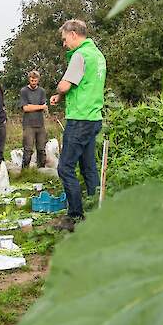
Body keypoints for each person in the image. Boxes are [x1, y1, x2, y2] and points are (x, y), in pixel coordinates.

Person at [49, 19, 106, 232]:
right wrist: (61, 97)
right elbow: (86, 86)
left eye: (65, 39)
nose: (64, 44)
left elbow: (66, 84)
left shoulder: (80, 55)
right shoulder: (98, 55)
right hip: (93, 117)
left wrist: (59, 89)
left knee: (65, 168)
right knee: (89, 167)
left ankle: (75, 216)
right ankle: (95, 212)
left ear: (73, 34)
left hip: (79, 119)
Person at [19, 70, 48, 168]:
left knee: (41, 149)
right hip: (28, 124)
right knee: (28, 150)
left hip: (40, 124)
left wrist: (33, 107)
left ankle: (41, 170)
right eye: (32, 80)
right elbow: (25, 108)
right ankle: (25, 171)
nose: (33, 82)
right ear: (29, 80)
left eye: (35, 81)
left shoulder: (42, 91)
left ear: (38, 80)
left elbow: (45, 106)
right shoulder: (24, 91)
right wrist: (40, 107)